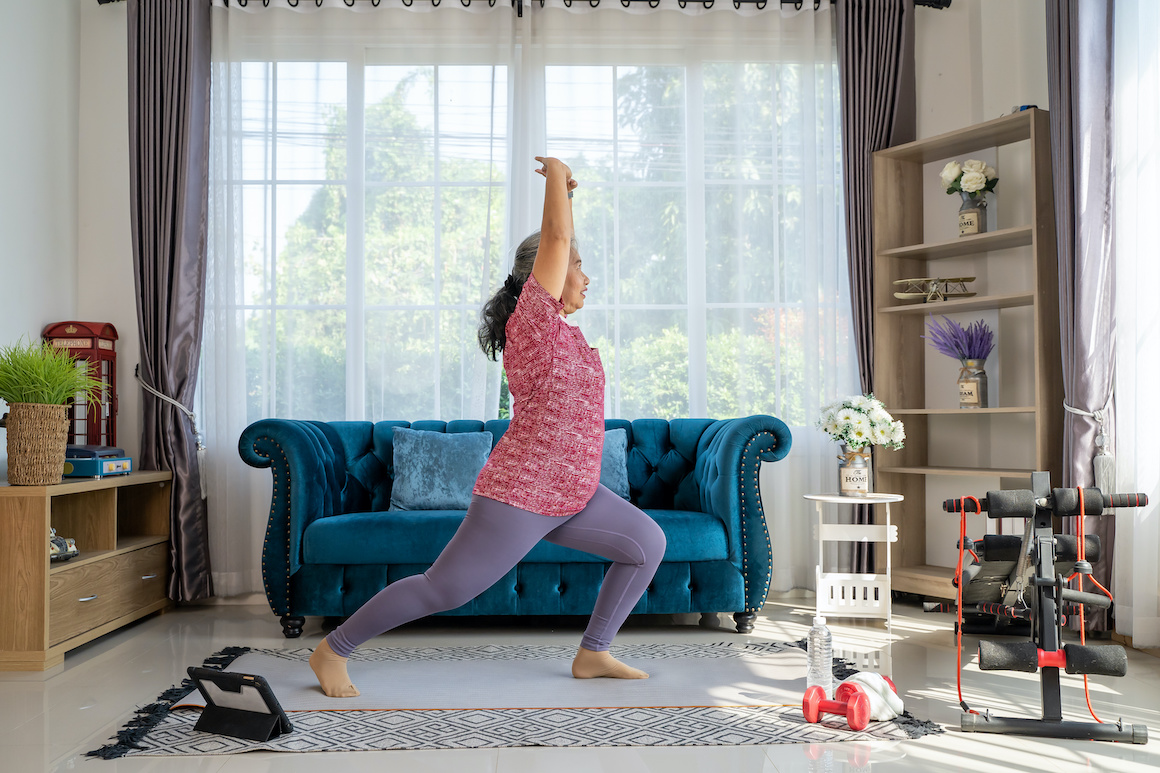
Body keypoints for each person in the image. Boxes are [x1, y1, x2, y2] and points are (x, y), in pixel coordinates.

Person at [309, 156, 667, 698]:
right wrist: (559, 184)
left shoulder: (567, 335)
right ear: (544, 275)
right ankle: (332, 650)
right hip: (521, 495)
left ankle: (594, 652)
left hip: (572, 494)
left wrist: (564, 197)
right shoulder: (535, 320)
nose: (586, 277)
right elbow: (555, 233)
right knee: (443, 589)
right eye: (577, 265)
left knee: (646, 543)